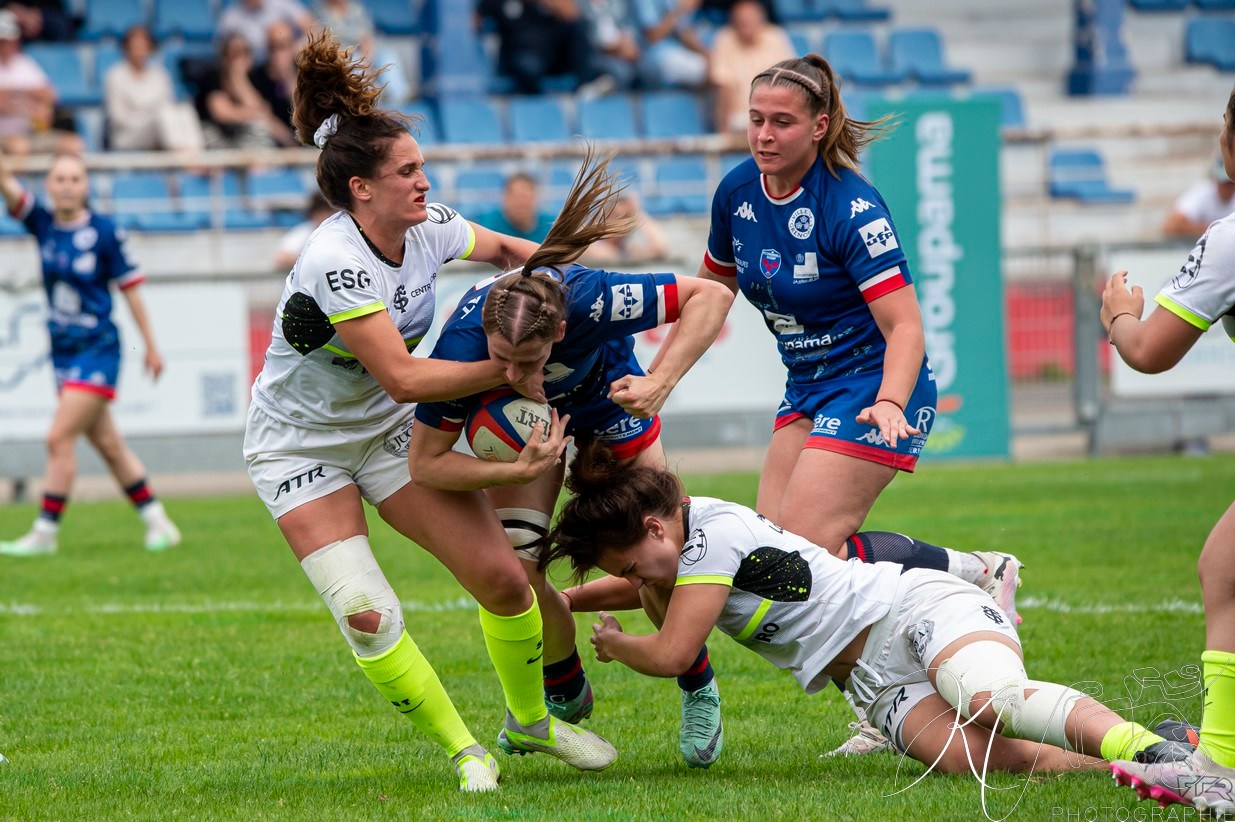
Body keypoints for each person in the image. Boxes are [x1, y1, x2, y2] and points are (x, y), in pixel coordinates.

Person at [243, 30, 617, 793]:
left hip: (381, 434)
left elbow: (515, 252)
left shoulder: (430, 226)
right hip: (298, 449)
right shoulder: (334, 260)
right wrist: (519, 365)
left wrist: (561, 293)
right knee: (365, 613)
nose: (425, 181)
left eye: (421, 167)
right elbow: (408, 377)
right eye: (408, 171)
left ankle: (529, 726)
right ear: (361, 190)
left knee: (506, 582)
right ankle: (463, 750)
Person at [697, 54, 1023, 755]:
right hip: (807, 386)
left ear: (819, 126)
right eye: (755, 120)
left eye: (781, 122)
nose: (762, 134)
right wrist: (659, 369)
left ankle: (968, 577)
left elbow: (905, 326)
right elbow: (709, 291)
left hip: (870, 385)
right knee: (775, 565)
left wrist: (888, 401)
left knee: (806, 553)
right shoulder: (735, 193)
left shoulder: (849, 205)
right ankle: (961, 585)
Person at [543, 442, 1197, 776]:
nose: (629, 581)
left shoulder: (710, 535)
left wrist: (613, 644)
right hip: (873, 680)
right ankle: (1157, 761)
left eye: (626, 564)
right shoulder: (685, 546)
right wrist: (563, 601)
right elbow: (646, 586)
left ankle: (1148, 750)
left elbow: (674, 652)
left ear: (656, 529)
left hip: (909, 610)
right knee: (978, 761)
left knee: (989, 697)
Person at [409, 150, 735, 768]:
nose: (508, 371)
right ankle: (561, 680)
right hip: (528, 436)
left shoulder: (590, 298)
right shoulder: (460, 348)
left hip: (609, 404)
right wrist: (514, 470)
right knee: (518, 568)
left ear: (559, 333)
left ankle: (696, 684)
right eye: (498, 355)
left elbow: (711, 297)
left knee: (659, 556)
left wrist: (660, 382)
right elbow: (425, 465)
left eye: (525, 361)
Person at [1103, 87, 1235, 818]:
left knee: (1226, 570)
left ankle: (1219, 766)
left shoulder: (1228, 238)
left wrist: (1119, 314)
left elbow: (1149, 353)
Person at [0, 149, 181, 557]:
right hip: (61, 352)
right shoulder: (42, 224)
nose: (66, 186)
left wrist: (150, 345)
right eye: (59, 179)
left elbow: (130, 290)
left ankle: (44, 533)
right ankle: (159, 522)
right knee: (109, 446)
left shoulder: (103, 232)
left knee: (58, 437)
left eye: (74, 179)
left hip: (98, 349)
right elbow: (8, 186)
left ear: (86, 187)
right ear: (48, 186)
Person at [104, 25, 205, 152]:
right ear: (126, 48)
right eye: (135, 46)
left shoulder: (160, 75)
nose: (139, 51)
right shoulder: (115, 76)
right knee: (162, 116)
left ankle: (198, 154)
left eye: (143, 46)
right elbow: (118, 118)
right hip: (128, 135)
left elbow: (169, 106)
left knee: (185, 110)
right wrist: (149, 118)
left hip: (160, 131)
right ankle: (184, 158)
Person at [709, 0, 793, 134]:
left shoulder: (776, 37)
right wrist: (724, 132)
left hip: (774, 114)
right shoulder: (724, 39)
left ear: (761, 21)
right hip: (739, 120)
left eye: (749, 22)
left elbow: (788, 81)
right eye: (741, 23)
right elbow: (724, 87)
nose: (745, 27)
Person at [0, 9, 54, 156]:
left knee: (72, 144)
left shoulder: (26, 64)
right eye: (3, 40)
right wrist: (28, 100)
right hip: (4, 135)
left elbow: (50, 95)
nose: (6, 45)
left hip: (30, 131)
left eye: (10, 40)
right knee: (19, 147)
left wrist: (12, 95)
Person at [632, 0, 708, 90]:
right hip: (648, 57)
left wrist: (706, 54)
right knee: (706, 70)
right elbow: (653, 36)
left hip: (676, 52)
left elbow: (684, 34)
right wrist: (680, 9)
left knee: (718, 67)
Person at [582, 191, 668, 265]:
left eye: (626, 219)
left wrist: (638, 213)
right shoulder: (587, 244)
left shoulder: (626, 250)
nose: (621, 224)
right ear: (604, 215)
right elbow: (606, 255)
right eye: (616, 216)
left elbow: (660, 248)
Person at [1162, 154, 1235, 241]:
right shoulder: (1203, 192)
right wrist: (1215, 231)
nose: (1227, 188)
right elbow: (1171, 226)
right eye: (1223, 183)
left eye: (1230, 182)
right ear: (1215, 180)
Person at [218, 0, 313, 66]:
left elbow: (312, 28)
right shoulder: (230, 20)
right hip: (254, 72)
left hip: (289, 64)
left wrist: (296, 48)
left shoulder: (280, 3)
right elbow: (224, 57)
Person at [474, 172, 556, 244]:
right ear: (505, 198)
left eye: (526, 197)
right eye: (516, 197)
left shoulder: (552, 226)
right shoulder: (485, 226)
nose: (522, 203)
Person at [272, 190, 334, 271]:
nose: (326, 216)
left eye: (330, 211)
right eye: (321, 211)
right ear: (313, 213)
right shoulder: (304, 232)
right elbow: (281, 259)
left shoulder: (344, 232)